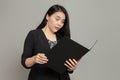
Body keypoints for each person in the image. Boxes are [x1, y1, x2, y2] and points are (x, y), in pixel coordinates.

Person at [21, 4, 80, 80]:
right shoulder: (34, 35)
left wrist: (71, 68)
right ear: (47, 16)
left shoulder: (63, 39)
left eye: (63, 22)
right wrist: (34, 59)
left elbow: (66, 67)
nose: (59, 24)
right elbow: (24, 62)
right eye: (57, 19)